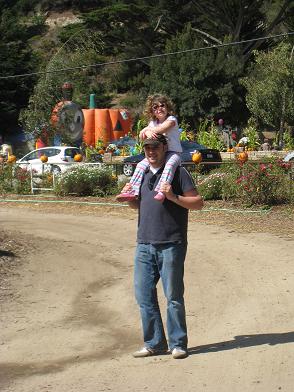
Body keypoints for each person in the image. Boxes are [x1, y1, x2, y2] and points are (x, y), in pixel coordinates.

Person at [124, 134, 204, 359]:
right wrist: (129, 198)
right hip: (144, 243)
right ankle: (154, 343)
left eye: (155, 147)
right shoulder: (143, 173)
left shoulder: (178, 172)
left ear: (164, 147)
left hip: (171, 243)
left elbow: (198, 203)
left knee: (173, 296)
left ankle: (178, 344)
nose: (151, 151)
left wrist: (173, 196)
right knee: (143, 295)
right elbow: (139, 205)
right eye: (147, 148)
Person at [116, 94, 182, 202]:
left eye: (162, 105)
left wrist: (149, 131)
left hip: (173, 152)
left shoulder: (171, 119)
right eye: (155, 107)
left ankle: (162, 191)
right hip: (159, 153)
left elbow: (162, 129)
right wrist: (146, 130)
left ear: (167, 107)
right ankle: (132, 191)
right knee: (141, 165)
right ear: (152, 111)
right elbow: (142, 134)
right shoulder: (153, 123)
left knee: (169, 165)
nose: (159, 109)